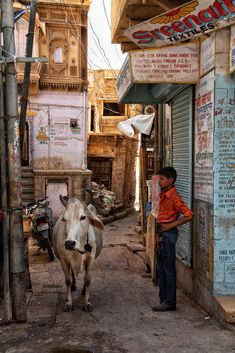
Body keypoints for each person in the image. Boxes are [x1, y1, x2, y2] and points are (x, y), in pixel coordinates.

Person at [152, 167, 193, 312]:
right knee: (161, 268)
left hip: (169, 235)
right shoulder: (164, 194)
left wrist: (170, 225)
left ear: (170, 180)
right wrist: (157, 236)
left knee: (168, 269)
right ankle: (164, 299)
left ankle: (170, 302)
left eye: (162, 179)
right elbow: (160, 217)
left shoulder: (174, 197)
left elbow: (189, 215)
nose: (160, 182)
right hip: (163, 235)